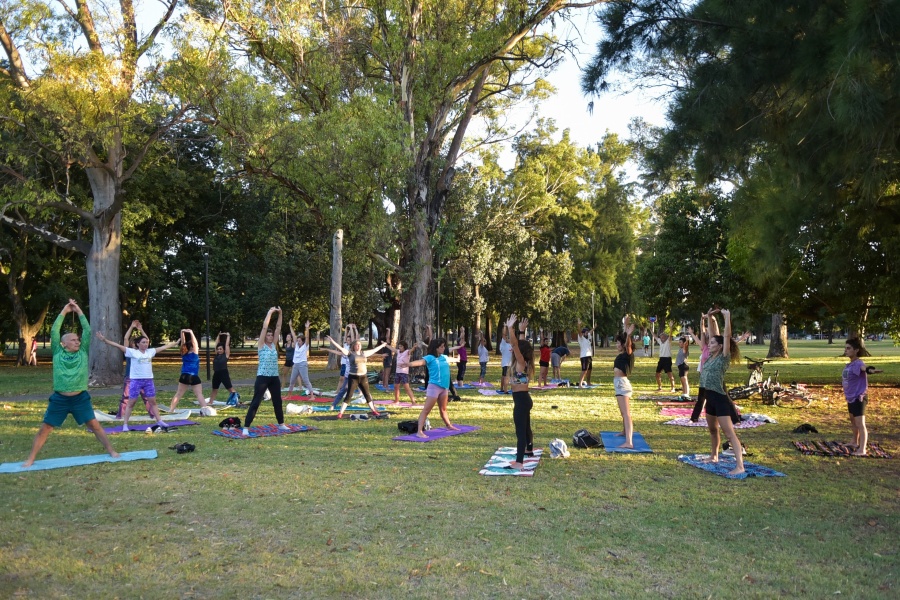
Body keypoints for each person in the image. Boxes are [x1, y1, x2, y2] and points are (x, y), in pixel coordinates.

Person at [23, 300, 119, 467]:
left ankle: (111, 450)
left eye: (78, 339)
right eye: (73, 340)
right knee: (45, 428)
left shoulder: (83, 352)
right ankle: (30, 459)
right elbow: (54, 330)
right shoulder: (57, 352)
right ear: (64, 343)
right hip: (60, 398)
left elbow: (87, 330)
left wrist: (79, 310)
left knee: (95, 425)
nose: (77, 341)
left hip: (80, 398)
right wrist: (65, 311)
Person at [96, 328, 179, 432]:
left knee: (153, 402)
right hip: (136, 381)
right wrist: (105, 340)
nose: (146, 344)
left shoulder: (150, 352)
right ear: (138, 344)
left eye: (147, 342)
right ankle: (125, 424)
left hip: (148, 381)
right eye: (143, 342)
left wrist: (175, 343)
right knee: (131, 403)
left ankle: (159, 421)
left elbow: (163, 347)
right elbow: (117, 346)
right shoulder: (132, 352)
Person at [699, 308, 745, 475]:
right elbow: (713, 335)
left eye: (712, 343)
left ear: (719, 347)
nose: (709, 344)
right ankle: (714, 456)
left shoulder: (723, 357)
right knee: (712, 430)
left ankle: (740, 466)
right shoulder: (710, 357)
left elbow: (725, 337)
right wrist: (710, 317)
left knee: (729, 433)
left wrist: (727, 318)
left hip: (720, 399)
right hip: (709, 398)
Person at [243, 307, 291, 436]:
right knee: (256, 402)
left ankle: (281, 424)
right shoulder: (261, 345)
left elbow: (279, 327)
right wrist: (269, 313)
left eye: (271, 335)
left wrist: (280, 313)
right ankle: (246, 427)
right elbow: (264, 328)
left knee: (277, 401)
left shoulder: (274, 344)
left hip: (274, 377)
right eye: (268, 335)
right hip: (262, 377)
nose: (270, 336)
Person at [324, 333, 387, 419]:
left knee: (367, 394)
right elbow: (341, 348)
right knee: (349, 395)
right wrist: (332, 341)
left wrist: (383, 345)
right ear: (353, 346)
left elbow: (374, 350)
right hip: (353, 377)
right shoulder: (350, 354)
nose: (358, 346)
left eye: (359, 345)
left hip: (363, 377)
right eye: (356, 345)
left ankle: (374, 410)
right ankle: (340, 413)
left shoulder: (364, 353)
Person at [408, 337, 459, 437]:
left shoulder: (443, 357)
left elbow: (453, 359)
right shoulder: (430, 357)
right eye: (441, 347)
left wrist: (458, 358)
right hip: (434, 387)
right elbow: (420, 362)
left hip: (444, 388)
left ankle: (448, 425)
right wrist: (409, 364)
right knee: (426, 410)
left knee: (443, 409)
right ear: (436, 348)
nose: (443, 348)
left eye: (444, 346)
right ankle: (419, 432)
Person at [505, 314, 535, 469]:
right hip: (524, 399)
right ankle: (529, 449)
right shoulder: (526, 361)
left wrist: (511, 328)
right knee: (526, 426)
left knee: (520, 431)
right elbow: (521, 345)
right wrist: (522, 331)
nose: (512, 348)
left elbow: (516, 345)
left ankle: (519, 463)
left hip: (521, 400)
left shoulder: (521, 362)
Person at [842, 337, 881, 456]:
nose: (846, 350)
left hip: (859, 398)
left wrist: (871, 370)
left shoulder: (859, 363)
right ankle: (854, 441)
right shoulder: (849, 364)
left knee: (860, 424)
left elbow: (865, 369)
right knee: (853, 423)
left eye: (849, 348)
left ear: (856, 350)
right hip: (850, 398)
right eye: (846, 348)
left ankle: (862, 449)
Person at [167, 329, 210, 413]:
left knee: (178, 394)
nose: (197, 347)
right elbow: (194, 343)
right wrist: (191, 332)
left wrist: (182, 332)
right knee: (199, 394)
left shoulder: (183, 353)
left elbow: (183, 343)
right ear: (192, 347)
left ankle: (171, 410)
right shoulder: (194, 353)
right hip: (193, 376)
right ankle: (205, 409)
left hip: (184, 376)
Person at [612, 316, 637, 448]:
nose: (617, 345)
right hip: (618, 384)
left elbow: (628, 344)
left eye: (618, 343)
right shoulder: (622, 354)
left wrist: (628, 334)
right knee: (623, 412)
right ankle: (624, 431)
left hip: (623, 384)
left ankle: (629, 442)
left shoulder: (628, 353)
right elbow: (624, 339)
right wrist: (625, 326)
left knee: (626, 413)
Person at [209, 332, 240, 405]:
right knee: (214, 389)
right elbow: (216, 344)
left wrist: (228, 336)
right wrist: (218, 335)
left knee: (230, 388)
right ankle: (210, 402)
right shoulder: (216, 354)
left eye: (221, 349)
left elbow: (226, 345)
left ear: (223, 350)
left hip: (223, 373)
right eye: (218, 349)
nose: (219, 350)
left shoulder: (226, 355)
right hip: (216, 373)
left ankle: (237, 400)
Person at [287, 320, 316, 397]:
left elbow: (307, 337)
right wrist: (290, 326)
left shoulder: (305, 346)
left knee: (306, 381)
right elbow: (293, 335)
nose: (298, 341)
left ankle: (312, 396)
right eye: (298, 340)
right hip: (296, 364)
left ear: (303, 342)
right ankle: (289, 395)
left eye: (299, 341)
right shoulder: (296, 345)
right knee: (292, 380)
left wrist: (307, 328)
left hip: (302, 364)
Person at [577, 322, 594, 387]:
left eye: (587, 332)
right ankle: (580, 384)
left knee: (589, 370)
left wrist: (594, 327)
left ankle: (588, 382)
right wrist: (579, 325)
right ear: (583, 333)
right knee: (584, 370)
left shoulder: (588, 336)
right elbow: (579, 331)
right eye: (586, 332)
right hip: (584, 356)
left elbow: (591, 332)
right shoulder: (581, 338)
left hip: (589, 356)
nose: (587, 333)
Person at [675, 333, 691, 401]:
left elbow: (686, 345)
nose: (679, 343)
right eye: (679, 342)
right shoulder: (680, 349)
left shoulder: (685, 349)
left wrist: (687, 340)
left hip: (683, 366)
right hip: (680, 367)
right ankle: (684, 394)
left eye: (680, 342)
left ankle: (687, 394)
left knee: (685, 381)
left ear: (684, 343)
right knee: (682, 381)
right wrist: (683, 337)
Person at [499, 326, 513, 392]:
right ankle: (505, 390)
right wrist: (504, 326)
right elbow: (504, 335)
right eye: (507, 337)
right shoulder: (503, 344)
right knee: (506, 376)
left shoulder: (511, 345)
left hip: (509, 363)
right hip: (506, 363)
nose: (508, 338)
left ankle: (502, 388)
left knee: (504, 375)